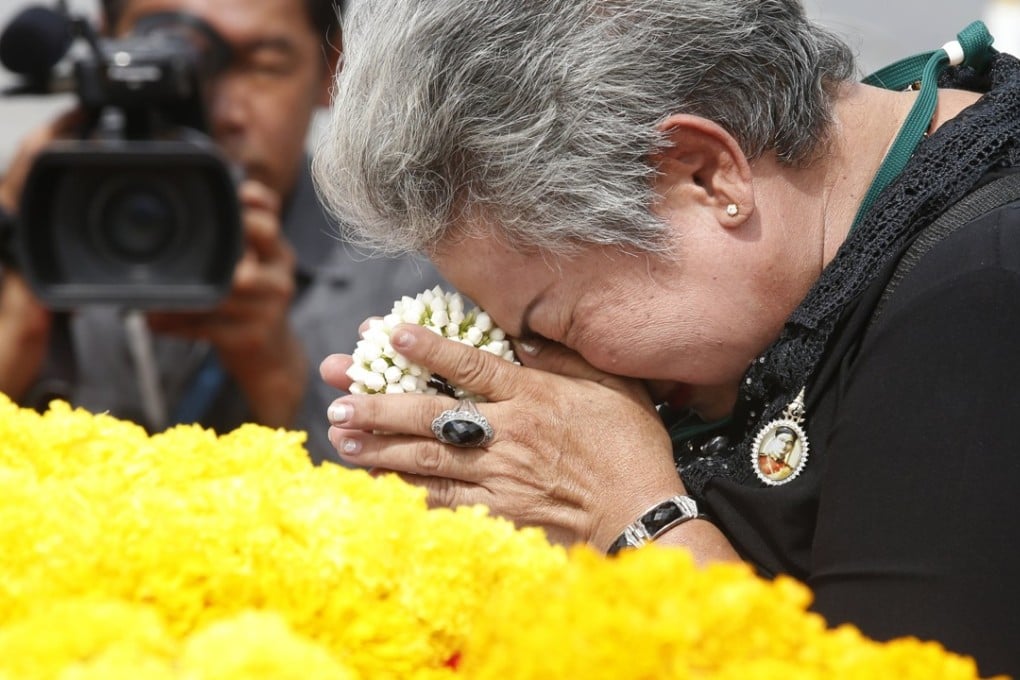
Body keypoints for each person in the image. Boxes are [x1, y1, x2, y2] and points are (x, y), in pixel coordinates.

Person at [313, 0, 1020, 675]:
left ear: (706, 174)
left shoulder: (984, 291)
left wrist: (630, 510)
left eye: (553, 325)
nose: (557, 369)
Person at [0, 0, 443, 465]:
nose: (220, 109)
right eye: (165, 54)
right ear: (104, 43)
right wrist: (15, 313)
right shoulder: (23, 220)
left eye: (263, 65)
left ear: (334, 70)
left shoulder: (412, 279)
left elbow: (433, 522)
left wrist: (283, 386)